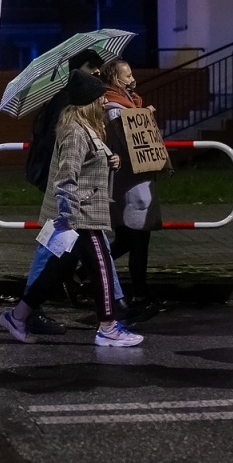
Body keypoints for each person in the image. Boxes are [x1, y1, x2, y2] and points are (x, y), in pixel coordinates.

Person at [0, 71, 144, 348]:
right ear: (88, 101)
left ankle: (17, 316)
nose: (105, 100)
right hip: (80, 216)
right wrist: (69, 218)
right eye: (100, 96)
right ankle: (108, 328)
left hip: (82, 213)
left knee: (55, 271)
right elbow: (66, 178)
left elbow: (88, 163)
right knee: (100, 266)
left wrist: (109, 160)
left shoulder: (85, 128)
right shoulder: (76, 132)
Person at [100, 58, 166, 310]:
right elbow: (127, 145)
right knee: (139, 241)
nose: (131, 79)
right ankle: (140, 294)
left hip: (134, 181)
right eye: (126, 76)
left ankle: (81, 273)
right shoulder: (114, 109)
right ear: (114, 80)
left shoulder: (128, 105)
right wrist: (143, 118)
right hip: (130, 184)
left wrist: (142, 116)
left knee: (127, 241)